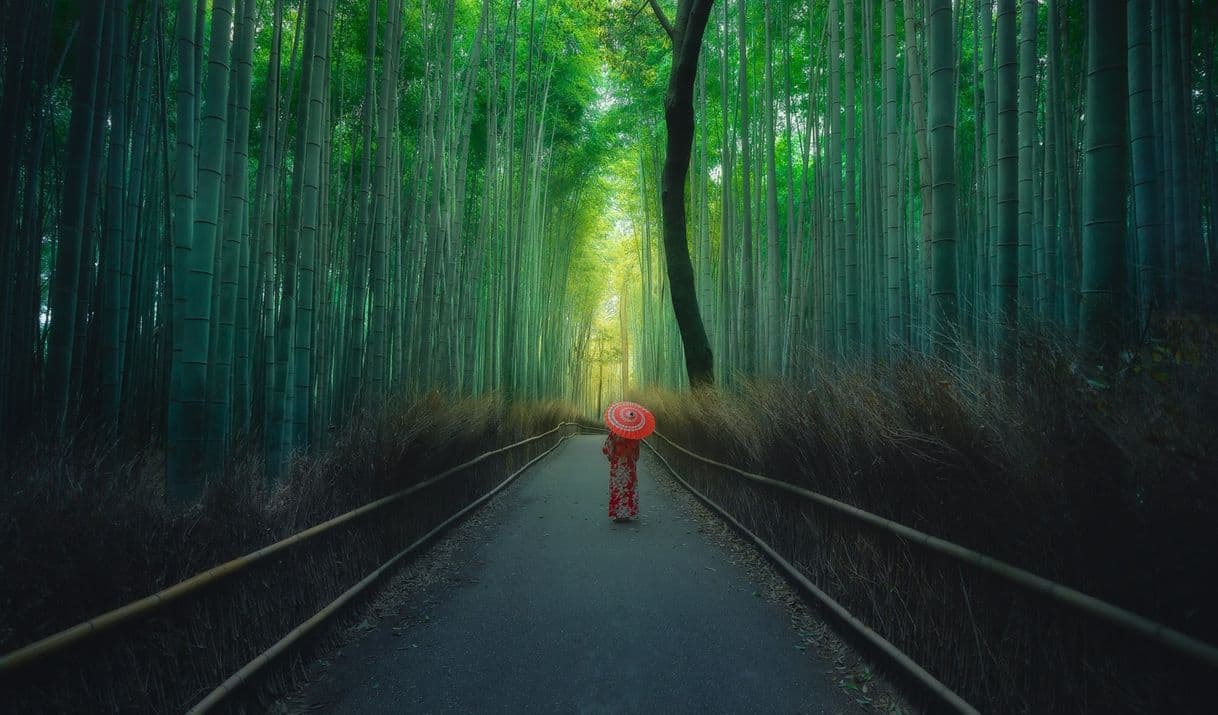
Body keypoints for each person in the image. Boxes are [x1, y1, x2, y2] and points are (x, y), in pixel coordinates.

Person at [601, 432, 640, 521]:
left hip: (617, 465)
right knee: (628, 488)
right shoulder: (635, 434)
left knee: (617, 488)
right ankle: (627, 513)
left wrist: (612, 455)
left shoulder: (614, 433)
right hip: (629, 466)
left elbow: (607, 450)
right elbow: (637, 456)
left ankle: (618, 513)